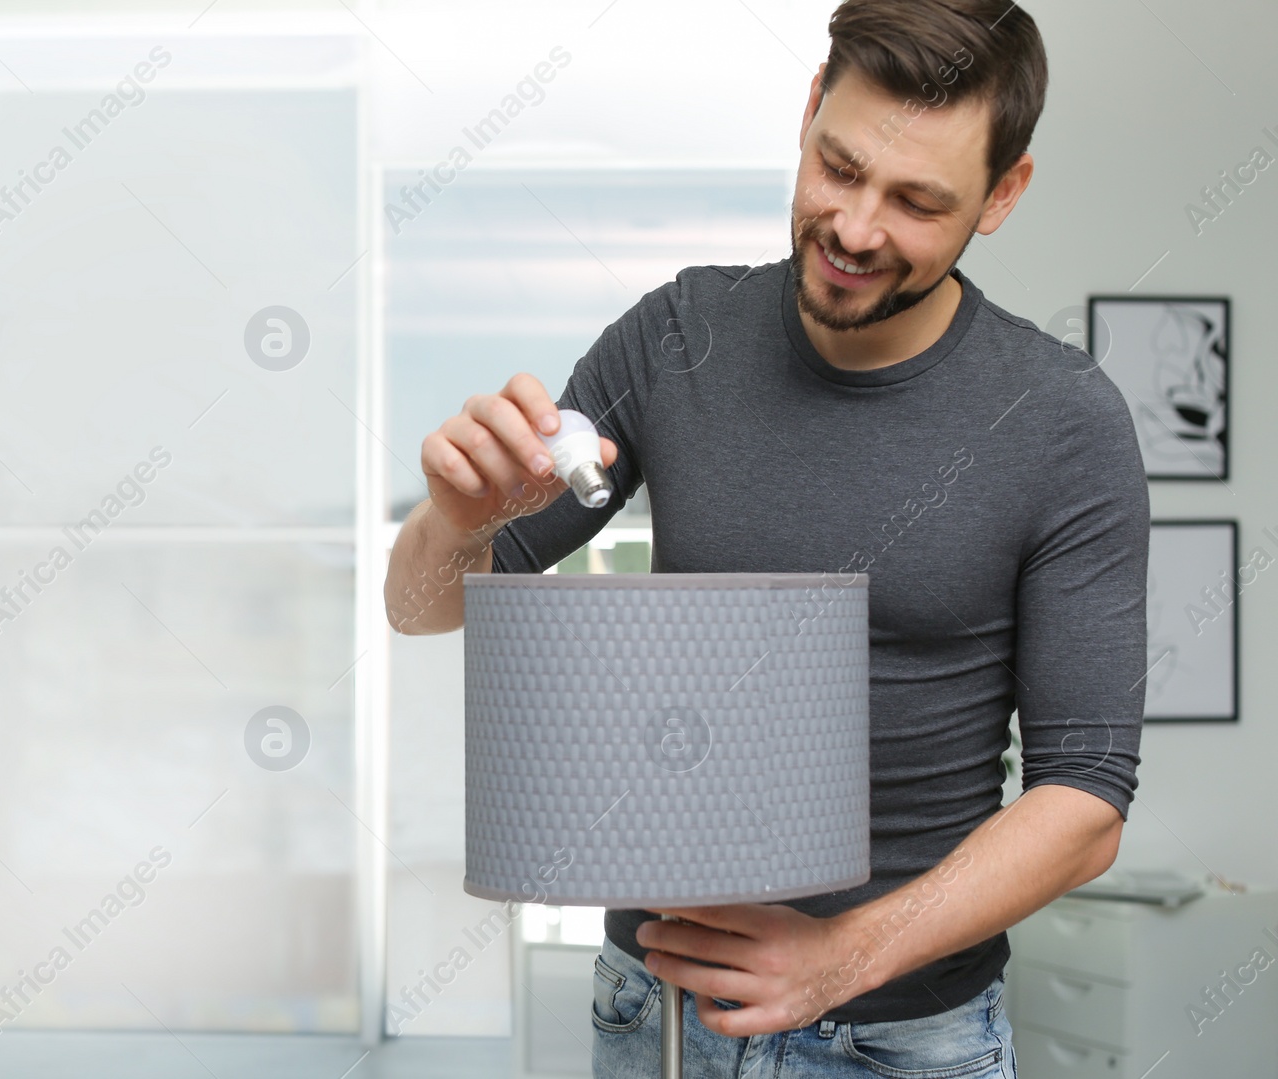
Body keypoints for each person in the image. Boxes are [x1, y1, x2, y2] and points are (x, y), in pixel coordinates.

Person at [384, 0, 1148, 1074]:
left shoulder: (1063, 421)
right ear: (807, 115)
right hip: (651, 1013)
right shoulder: (673, 338)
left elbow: (1084, 800)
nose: (854, 228)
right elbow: (422, 609)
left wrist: (838, 957)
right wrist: (454, 518)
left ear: (1002, 194)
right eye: (838, 166)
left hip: (902, 1036)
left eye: (917, 200)